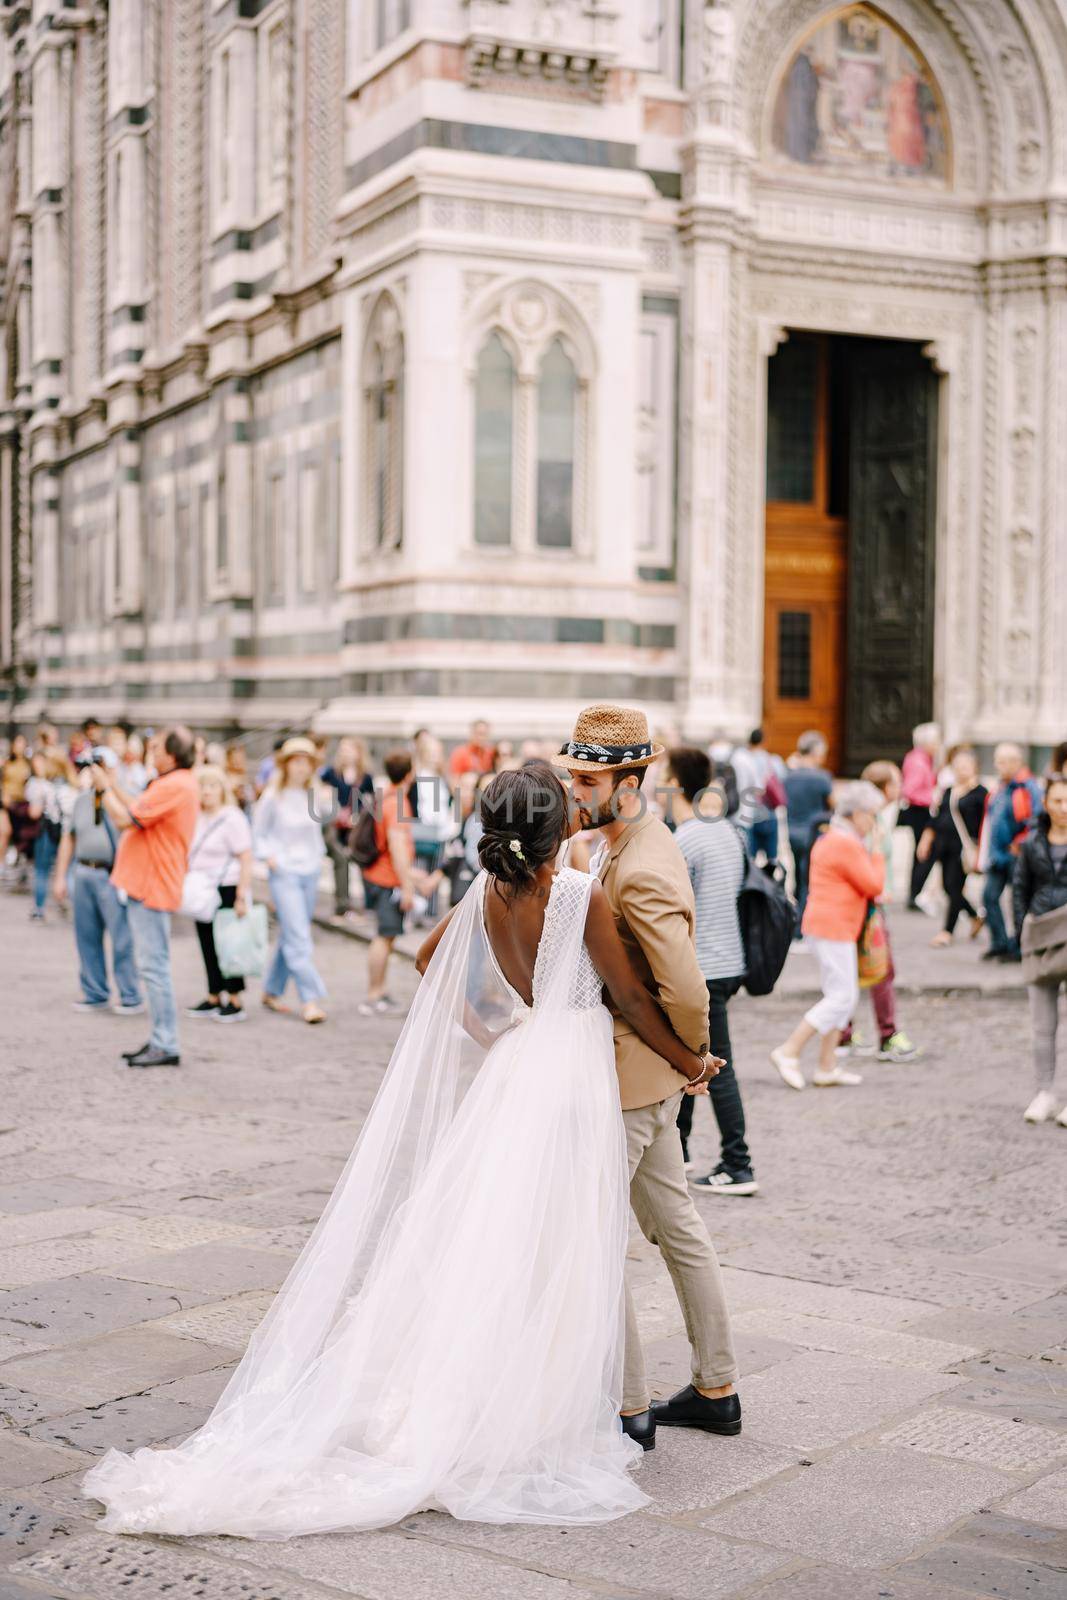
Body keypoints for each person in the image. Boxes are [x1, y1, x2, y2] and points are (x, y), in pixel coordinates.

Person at [81, 765, 719, 1534]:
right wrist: (692, 1062)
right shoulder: (581, 897)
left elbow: (427, 962)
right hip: (574, 1067)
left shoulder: (490, 893)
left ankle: (569, 1394)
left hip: (519, 1061)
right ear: (557, 833)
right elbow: (632, 997)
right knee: (568, 1234)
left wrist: (491, 1031)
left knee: (504, 1234)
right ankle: (577, 1401)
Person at [557, 704, 740, 1452]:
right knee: (675, 1226)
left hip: (634, 1079)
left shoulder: (642, 860)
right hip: (643, 1076)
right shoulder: (613, 842)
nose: (575, 789)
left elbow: (685, 987)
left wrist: (690, 1060)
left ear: (629, 781)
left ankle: (629, 1407)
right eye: (572, 774)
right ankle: (715, 1388)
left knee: (600, 1239)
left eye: (587, 778)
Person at [663, 747, 758, 1196]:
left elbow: (679, 913)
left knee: (714, 1064)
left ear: (675, 783)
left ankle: (738, 1162)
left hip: (702, 966)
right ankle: (679, 1150)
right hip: (729, 960)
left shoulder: (685, 840)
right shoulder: (728, 833)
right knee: (691, 1057)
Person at [770, 781, 885, 1090]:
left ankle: (826, 1066)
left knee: (842, 996)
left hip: (830, 925)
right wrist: (878, 852)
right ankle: (789, 1050)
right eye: (873, 815)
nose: (875, 821)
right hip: (833, 926)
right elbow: (874, 885)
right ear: (859, 814)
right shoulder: (845, 843)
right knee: (842, 997)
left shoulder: (834, 838)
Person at [99, 726, 200, 1068]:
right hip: (148, 883)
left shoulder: (175, 784)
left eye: (156, 749)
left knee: (154, 967)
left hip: (153, 885)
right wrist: (111, 782)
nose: (151, 753)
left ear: (171, 755)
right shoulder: (173, 782)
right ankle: (160, 1038)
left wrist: (103, 788)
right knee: (152, 965)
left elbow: (124, 818)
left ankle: (165, 1042)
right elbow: (136, 805)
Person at [838, 761, 919, 1063]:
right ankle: (885, 1034)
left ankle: (846, 1033)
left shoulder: (876, 820)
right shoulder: (871, 823)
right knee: (880, 970)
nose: (901, 788)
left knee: (858, 971)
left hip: (868, 904)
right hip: (868, 907)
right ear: (886, 788)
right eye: (896, 782)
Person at [53, 759, 143, 1015]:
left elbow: (127, 822)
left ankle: (130, 994)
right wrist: (60, 877)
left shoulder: (127, 797)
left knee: (122, 938)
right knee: (86, 936)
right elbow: (68, 839)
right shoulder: (81, 800)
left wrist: (109, 791)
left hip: (112, 873)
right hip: (83, 870)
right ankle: (95, 991)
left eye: (102, 766)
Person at [254, 737, 328, 1025]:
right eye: (296, 761)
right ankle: (310, 998)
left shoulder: (315, 794)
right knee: (298, 935)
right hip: (283, 870)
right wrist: (269, 856)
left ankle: (271, 989)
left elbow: (323, 828)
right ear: (286, 765)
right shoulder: (273, 796)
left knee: (292, 933)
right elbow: (257, 832)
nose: (301, 767)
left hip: (310, 869)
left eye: (306, 762)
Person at [1015, 773, 1067, 1126]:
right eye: (1058, 801)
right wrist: (1023, 927)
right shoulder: (1033, 843)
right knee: (1041, 1025)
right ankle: (1045, 1093)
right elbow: (1019, 888)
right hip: (1040, 935)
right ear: (1046, 804)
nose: (1064, 808)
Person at [187, 765, 254, 1022]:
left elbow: (245, 856)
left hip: (226, 885)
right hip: (201, 887)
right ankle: (214, 993)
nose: (207, 791)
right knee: (207, 942)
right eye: (203, 786)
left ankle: (235, 997)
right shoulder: (198, 817)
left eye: (213, 786)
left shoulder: (232, 817)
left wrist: (240, 895)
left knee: (229, 943)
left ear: (221, 789)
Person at [358, 748, 419, 1016]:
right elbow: (397, 847)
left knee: (387, 936)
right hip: (387, 878)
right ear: (409, 773)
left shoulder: (387, 797)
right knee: (383, 936)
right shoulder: (399, 803)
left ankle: (380, 990)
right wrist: (407, 885)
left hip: (379, 875)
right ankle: (374, 994)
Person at [918, 747, 988, 947]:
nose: (961, 770)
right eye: (957, 766)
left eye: (965, 766)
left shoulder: (981, 793)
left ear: (974, 767)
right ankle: (976, 915)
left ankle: (947, 931)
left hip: (963, 849)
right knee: (949, 888)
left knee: (954, 886)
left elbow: (986, 823)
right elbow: (936, 816)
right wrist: (926, 839)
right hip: (943, 846)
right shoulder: (949, 790)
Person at [981, 742, 1043, 963]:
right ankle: (999, 942)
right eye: (997, 760)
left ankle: (1018, 946)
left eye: (1004, 761)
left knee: (1019, 902)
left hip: (1017, 856)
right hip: (997, 856)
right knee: (989, 898)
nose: (999, 765)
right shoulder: (1000, 788)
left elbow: (1037, 819)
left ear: (1017, 762)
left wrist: (1021, 842)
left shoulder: (1028, 786)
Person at [319, 736, 374, 922]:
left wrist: (358, 817)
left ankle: (369, 905)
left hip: (356, 828)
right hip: (333, 826)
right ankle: (342, 906)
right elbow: (322, 797)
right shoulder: (330, 773)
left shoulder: (365, 777)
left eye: (350, 749)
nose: (346, 753)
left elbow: (370, 802)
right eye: (343, 749)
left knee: (364, 856)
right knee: (341, 859)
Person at [784, 730, 833, 932]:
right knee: (808, 882)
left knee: (797, 878)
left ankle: (794, 920)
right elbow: (832, 806)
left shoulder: (788, 776)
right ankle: (801, 928)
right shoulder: (822, 778)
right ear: (816, 752)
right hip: (814, 834)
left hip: (792, 832)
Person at [899, 722, 941, 909]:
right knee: (925, 852)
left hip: (921, 810)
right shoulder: (918, 761)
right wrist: (932, 796)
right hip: (920, 811)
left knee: (922, 852)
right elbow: (909, 790)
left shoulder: (920, 759)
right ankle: (914, 893)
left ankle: (914, 892)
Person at [730, 728, 782, 862]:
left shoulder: (736, 757)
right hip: (754, 812)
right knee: (766, 855)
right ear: (763, 741)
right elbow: (760, 788)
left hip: (735, 811)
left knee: (746, 854)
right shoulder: (762, 759)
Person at [24, 749, 63, 920]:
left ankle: (40, 907)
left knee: (42, 870)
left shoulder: (39, 785)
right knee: (47, 868)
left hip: (46, 829)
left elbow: (34, 812)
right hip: (53, 829)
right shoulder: (53, 783)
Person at [0, 731, 31, 861]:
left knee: (21, 835)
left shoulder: (29, 764)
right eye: (17, 743)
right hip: (5, 803)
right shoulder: (6, 763)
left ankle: (17, 860)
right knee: (5, 832)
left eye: (22, 744)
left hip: (21, 804)